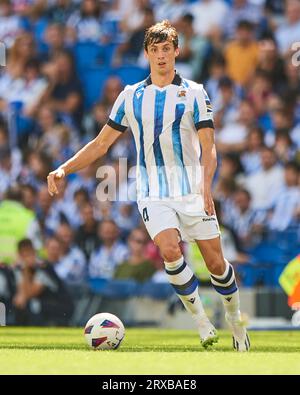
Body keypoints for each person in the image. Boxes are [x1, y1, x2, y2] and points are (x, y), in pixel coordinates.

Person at [47, 20, 250, 351]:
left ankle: (236, 321)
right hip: (152, 188)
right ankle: (201, 323)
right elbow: (101, 144)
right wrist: (64, 169)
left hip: (190, 187)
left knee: (216, 265)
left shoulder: (195, 92)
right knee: (170, 251)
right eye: (154, 50)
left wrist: (206, 184)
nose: (160, 56)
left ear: (177, 52)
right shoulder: (130, 96)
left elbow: (209, 145)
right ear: (146, 54)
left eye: (166, 50)